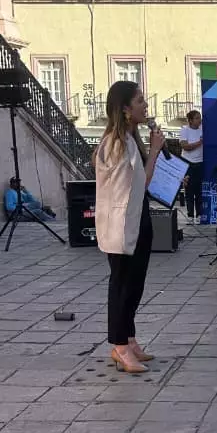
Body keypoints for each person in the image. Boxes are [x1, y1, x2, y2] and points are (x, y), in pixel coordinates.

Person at [94, 80, 164, 374]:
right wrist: (155, 151)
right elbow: (138, 184)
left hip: (137, 218)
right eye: (139, 101)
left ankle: (130, 339)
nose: (145, 106)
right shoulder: (115, 143)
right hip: (121, 224)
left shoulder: (130, 139)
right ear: (125, 108)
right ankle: (119, 345)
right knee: (122, 285)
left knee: (136, 283)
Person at [178, 108, 204, 222]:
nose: (199, 120)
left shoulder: (203, 129)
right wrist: (200, 142)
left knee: (199, 189)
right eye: (197, 118)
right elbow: (185, 146)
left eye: (200, 118)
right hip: (188, 162)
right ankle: (190, 215)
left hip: (200, 162)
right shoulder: (185, 130)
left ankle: (199, 214)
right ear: (190, 120)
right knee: (189, 189)